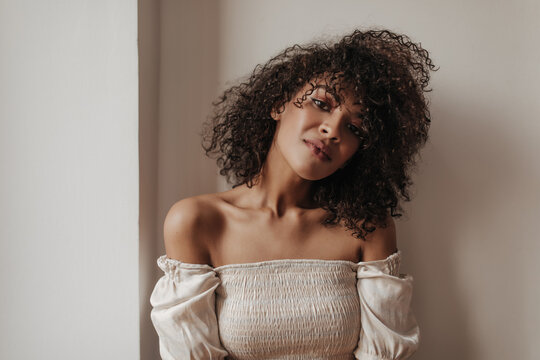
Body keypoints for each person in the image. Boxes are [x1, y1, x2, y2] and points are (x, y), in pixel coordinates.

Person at [150, 27, 437, 359]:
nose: (332, 130)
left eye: (355, 128)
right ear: (277, 104)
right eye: (321, 103)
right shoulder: (197, 222)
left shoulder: (366, 227)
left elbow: (385, 354)